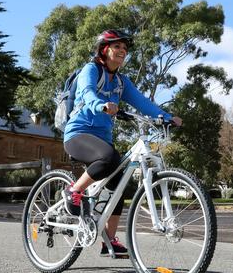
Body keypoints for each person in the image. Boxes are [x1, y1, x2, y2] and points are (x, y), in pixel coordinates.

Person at [62, 29, 182, 258]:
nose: (122, 52)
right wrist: (101, 105)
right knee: (109, 158)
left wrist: (166, 117)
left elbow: (143, 103)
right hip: (78, 134)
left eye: (124, 49)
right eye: (117, 47)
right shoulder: (91, 69)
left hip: (102, 139)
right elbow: (86, 92)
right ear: (104, 50)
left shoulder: (120, 82)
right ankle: (74, 190)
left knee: (119, 183)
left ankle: (109, 241)